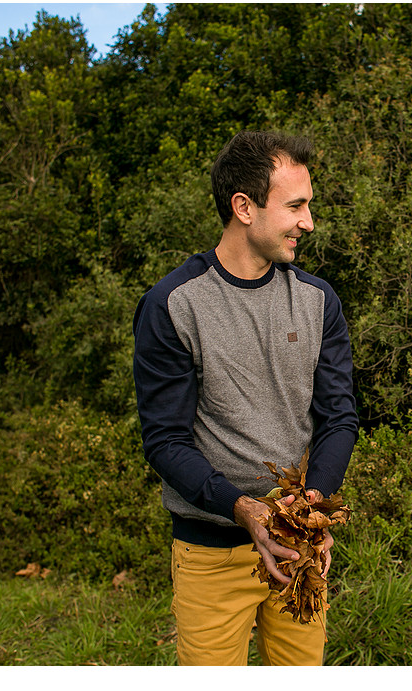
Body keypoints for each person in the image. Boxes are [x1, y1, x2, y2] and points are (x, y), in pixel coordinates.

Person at [132, 130, 358, 666]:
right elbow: (164, 440)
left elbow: (338, 417)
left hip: (297, 544)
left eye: (309, 206)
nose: (309, 222)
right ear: (244, 207)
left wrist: (314, 505)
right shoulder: (173, 305)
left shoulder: (317, 300)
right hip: (210, 552)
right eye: (296, 206)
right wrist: (243, 510)